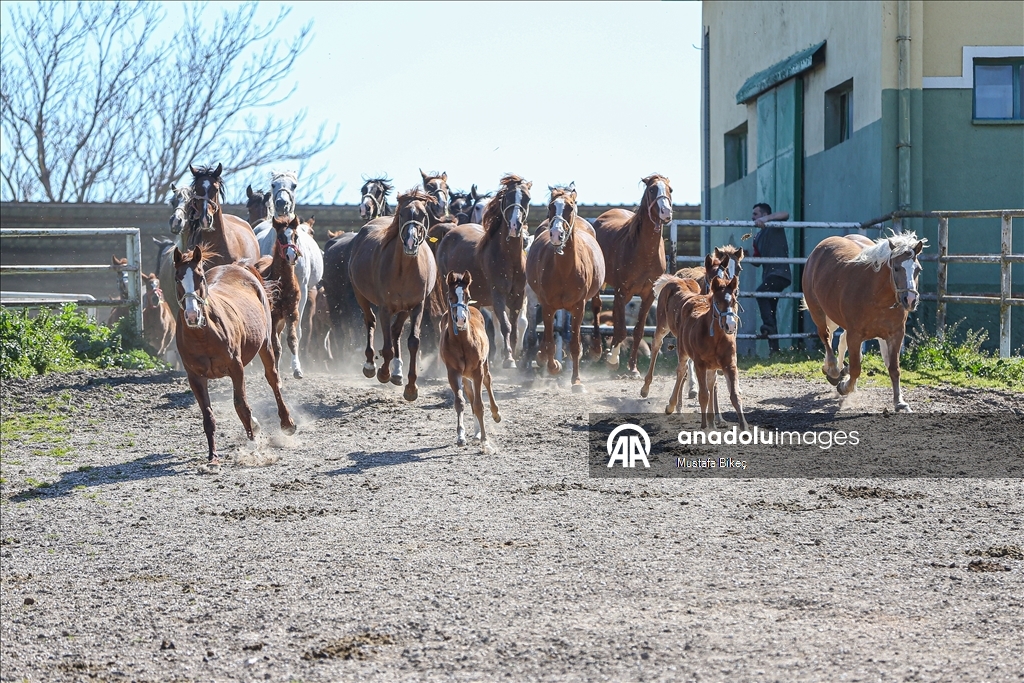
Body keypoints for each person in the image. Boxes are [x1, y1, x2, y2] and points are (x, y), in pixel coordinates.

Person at [751, 202, 790, 354]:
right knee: (770, 311)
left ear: (764, 214)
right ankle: (774, 350)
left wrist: (767, 220)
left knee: (760, 295)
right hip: (770, 275)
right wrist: (745, 256)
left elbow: (785, 214)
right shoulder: (757, 237)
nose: (752, 217)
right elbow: (757, 262)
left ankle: (768, 328)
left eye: (756, 214)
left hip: (780, 273)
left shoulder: (774, 225)